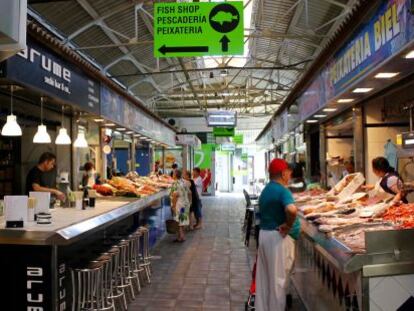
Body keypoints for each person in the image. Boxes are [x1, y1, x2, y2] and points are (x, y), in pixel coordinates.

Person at [256, 158, 301, 311]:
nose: (290, 175)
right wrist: (288, 225)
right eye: (289, 172)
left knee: (265, 280)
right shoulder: (282, 190)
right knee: (278, 282)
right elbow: (291, 210)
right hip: (277, 239)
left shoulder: (267, 189)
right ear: (283, 173)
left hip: (264, 235)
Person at [171, 169, 191, 242]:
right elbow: (189, 192)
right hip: (185, 203)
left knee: (179, 220)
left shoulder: (175, 183)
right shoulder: (184, 182)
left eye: (173, 174)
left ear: (175, 175)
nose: (172, 175)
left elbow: (175, 196)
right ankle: (180, 237)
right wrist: (189, 201)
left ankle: (182, 236)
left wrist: (173, 206)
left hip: (179, 205)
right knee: (182, 220)